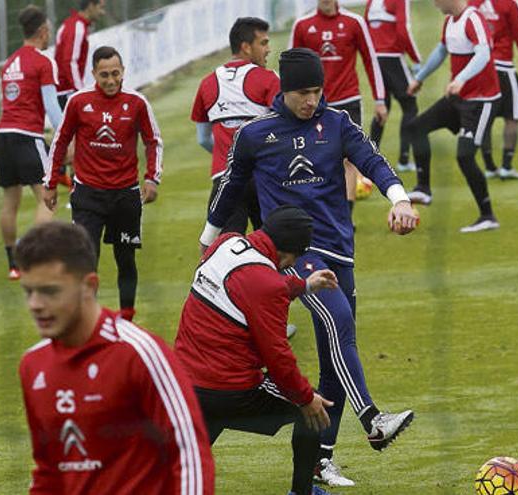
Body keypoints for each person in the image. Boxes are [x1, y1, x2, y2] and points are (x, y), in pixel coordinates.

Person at [199, 48, 419, 488]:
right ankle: (372, 419)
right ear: (284, 89)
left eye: (317, 91)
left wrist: (400, 198)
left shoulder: (337, 123)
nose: (311, 101)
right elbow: (231, 189)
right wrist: (208, 239)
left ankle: (320, 460)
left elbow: (372, 161)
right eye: (303, 92)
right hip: (294, 255)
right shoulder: (255, 135)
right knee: (339, 321)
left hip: (341, 251)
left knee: (334, 357)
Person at [16, 221, 214, 494]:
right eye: (29, 291)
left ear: (89, 286)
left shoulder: (139, 353)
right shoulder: (32, 365)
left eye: (50, 291)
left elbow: (189, 455)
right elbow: (50, 470)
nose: (35, 304)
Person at [176, 206, 339, 495]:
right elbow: (278, 358)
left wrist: (303, 285)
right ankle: (301, 492)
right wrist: (305, 398)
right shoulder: (268, 284)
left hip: (186, 383)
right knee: (313, 412)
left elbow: (247, 286)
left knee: (184, 468)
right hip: (232, 391)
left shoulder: (225, 242)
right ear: (289, 255)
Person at [44, 46, 163, 322]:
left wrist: (151, 178)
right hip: (88, 195)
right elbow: (60, 140)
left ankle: (127, 318)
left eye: (115, 74)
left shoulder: (137, 103)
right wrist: (50, 182)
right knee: (87, 260)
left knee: (126, 259)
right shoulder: (78, 101)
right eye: (104, 75)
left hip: (125, 195)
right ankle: (89, 320)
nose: (110, 81)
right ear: (94, 74)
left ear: (123, 72)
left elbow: (153, 140)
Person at [405, 0, 501, 233]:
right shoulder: (449, 21)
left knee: (465, 156)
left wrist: (461, 79)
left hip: (481, 101)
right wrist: (420, 78)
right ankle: (423, 189)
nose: (434, 4)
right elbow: (441, 51)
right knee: (416, 128)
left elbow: (483, 53)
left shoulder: (473, 18)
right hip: (458, 99)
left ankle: (487, 216)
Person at [290, 0, 388, 216]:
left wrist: (380, 99)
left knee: (347, 157)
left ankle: (345, 215)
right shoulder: (302, 25)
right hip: (313, 103)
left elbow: (370, 60)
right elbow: (291, 66)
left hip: (348, 100)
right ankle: (320, 212)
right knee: (313, 158)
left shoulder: (354, 22)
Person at [191, 17, 279, 234]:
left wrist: (230, 153)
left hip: (225, 179)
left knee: (227, 254)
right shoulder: (269, 79)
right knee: (277, 252)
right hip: (264, 178)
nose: (268, 49)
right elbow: (282, 131)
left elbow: (202, 139)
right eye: (264, 43)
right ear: (246, 47)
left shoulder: (207, 83)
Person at [0, 5, 64, 281]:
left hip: (4, 135)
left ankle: (13, 265)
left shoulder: (8, 63)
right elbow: (51, 105)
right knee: (47, 199)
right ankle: (36, 260)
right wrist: (66, 136)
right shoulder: (42, 62)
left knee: (10, 202)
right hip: (27, 135)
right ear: (43, 31)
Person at [469, 0, 518, 180]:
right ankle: (506, 166)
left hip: (478, 67)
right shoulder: (510, 2)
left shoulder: (471, 2)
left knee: (485, 115)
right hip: (503, 67)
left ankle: (490, 167)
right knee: (512, 116)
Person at [364, 0, 422, 172]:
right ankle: (404, 160)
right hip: (393, 57)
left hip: (375, 58)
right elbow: (404, 32)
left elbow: (366, 28)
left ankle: (368, 158)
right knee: (410, 106)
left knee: (383, 106)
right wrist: (417, 59)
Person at [54, 0, 106, 110]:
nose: (102, 13)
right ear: (91, 6)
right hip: (67, 92)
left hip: (64, 91)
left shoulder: (71, 24)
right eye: (100, 8)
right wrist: (80, 91)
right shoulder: (77, 27)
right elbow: (69, 62)